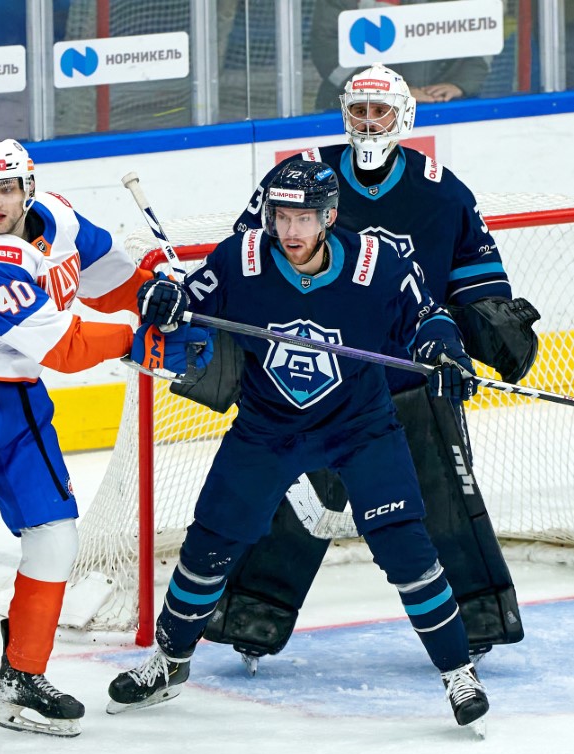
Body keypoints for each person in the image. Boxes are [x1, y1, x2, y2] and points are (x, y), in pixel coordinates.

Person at [108, 159, 491, 729]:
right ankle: (169, 660)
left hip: (360, 427)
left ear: (329, 216)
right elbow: (184, 307)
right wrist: (161, 301)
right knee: (211, 540)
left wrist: (444, 346)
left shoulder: (376, 262)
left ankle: (457, 672)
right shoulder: (238, 259)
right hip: (267, 429)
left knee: (406, 546)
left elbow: (428, 315)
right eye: (281, 215)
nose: (290, 230)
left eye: (304, 217)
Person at [203, 63, 540, 673]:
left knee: (439, 498)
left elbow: (474, 273)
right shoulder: (301, 176)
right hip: (311, 381)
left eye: (377, 112)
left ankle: (473, 619)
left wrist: (488, 325)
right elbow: (249, 258)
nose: (365, 123)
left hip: (412, 382)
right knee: (287, 496)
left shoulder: (441, 190)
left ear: (402, 117)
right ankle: (253, 613)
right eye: (356, 111)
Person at [0, 138, 187, 749]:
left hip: (18, 399)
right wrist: (138, 333)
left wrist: (156, 294)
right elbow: (66, 349)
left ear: (28, 187)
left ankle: (23, 677)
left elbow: (111, 274)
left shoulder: (59, 215)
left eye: (4, 189)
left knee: (56, 536)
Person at [310, 0, 489, 110]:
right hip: (359, 111)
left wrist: (460, 83)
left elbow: (483, 32)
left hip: (438, 108)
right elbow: (328, 50)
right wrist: (388, 88)